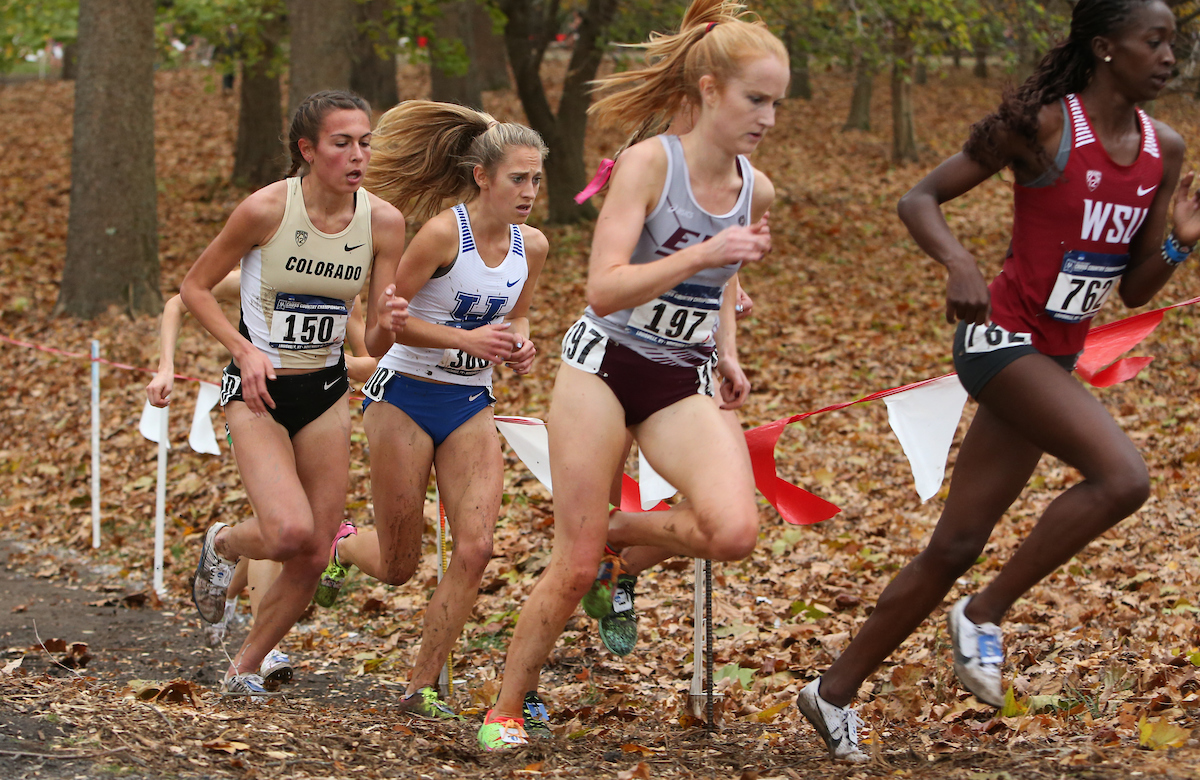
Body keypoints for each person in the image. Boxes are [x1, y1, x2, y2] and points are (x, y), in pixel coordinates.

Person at [797, 0, 1199, 762]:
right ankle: (984, 614)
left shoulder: (1164, 150)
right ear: (1106, 48)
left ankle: (831, 691)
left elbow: (1135, 288)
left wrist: (1179, 246)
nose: (1169, 57)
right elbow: (918, 199)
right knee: (1124, 477)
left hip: (1050, 360)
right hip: (998, 340)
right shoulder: (1044, 128)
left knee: (955, 543)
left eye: (1173, 43)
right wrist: (959, 262)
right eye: (1154, 42)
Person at [476, 0, 787, 749]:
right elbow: (604, 287)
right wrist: (705, 254)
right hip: (604, 369)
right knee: (574, 564)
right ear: (710, 89)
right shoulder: (651, 163)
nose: (768, 118)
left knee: (733, 530)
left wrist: (728, 352)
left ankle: (617, 532)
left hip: (681, 377)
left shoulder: (758, 189)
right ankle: (506, 707)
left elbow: (722, 287)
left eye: (777, 103)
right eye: (755, 99)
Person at [311, 100, 550, 720]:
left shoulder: (533, 246)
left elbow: (519, 316)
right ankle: (343, 547)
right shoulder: (445, 234)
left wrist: (520, 345)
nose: (529, 192)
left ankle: (420, 687)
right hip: (405, 397)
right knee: (398, 566)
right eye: (518, 179)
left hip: (470, 402)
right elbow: (386, 324)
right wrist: (465, 339)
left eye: (536, 179)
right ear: (483, 177)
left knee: (476, 549)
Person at [181, 90, 409, 695]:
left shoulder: (384, 222)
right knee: (287, 533)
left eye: (365, 142)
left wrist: (390, 321)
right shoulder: (265, 209)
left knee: (313, 551)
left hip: (326, 391)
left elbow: (378, 338)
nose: (358, 155)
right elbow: (195, 288)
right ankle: (223, 543)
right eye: (342, 143)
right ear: (308, 150)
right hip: (257, 390)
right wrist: (242, 348)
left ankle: (243, 669)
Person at [146, 270, 380, 685]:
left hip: (320, 404)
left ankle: (225, 575)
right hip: (255, 404)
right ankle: (265, 650)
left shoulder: (346, 289)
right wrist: (166, 368)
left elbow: (370, 362)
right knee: (281, 526)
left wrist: (324, 361)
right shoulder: (256, 276)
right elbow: (177, 303)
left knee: (299, 536)